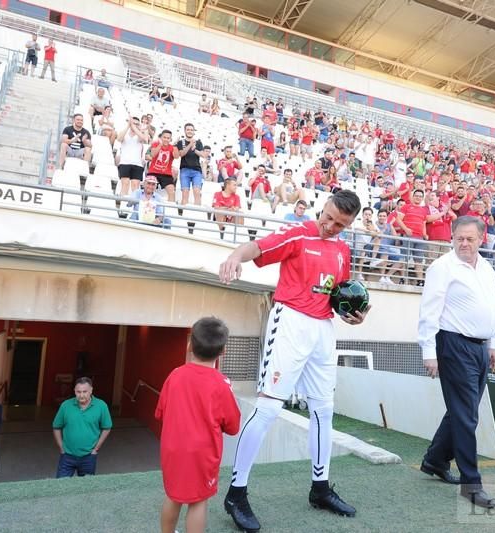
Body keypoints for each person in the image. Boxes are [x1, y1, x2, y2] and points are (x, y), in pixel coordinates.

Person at [219, 189, 369, 532]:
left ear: (349, 224)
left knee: (324, 409)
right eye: (327, 217)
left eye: (339, 223)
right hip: (290, 324)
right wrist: (233, 257)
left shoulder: (343, 249)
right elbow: (255, 248)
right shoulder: (297, 234)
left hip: (323, 330)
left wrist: (353, 313)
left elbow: (338, 293)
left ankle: (320, 489)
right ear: (323, 208)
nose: (329, 225)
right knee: (269, 408)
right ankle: (236, 493)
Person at [418, 216, 495, 510]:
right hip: (453, 345)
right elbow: (429, 311)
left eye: (470, 239)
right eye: (459, 238)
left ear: (482, 239)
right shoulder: (442, 267)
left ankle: (435, 460)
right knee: (466, 416)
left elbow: (493, 307)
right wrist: (429, 352)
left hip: (479, 348)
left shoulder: (488, 269)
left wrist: (492, 343)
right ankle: (471, 484)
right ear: (452, 238)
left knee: (462, 411)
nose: (464, 244)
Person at [156, 317, 241, 533]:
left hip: (172, 450)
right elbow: (232, 426)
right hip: (202, 455)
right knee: (198, 501)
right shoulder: (221, 385)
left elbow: (161, 413)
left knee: (173, 496)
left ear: (189, 345)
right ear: (223, 351)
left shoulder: (174, 375)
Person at [52, 377, 113, 477]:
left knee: (86, 489)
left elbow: (107, 428)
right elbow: (56, 427)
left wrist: (96, 449)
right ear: (74, 391)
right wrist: (61, 448)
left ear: (91, 391)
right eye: (78, 392)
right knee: (61, 487)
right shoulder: (66, 405)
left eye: (85, 391)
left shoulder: (101, 406)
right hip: (67, 456)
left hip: (88, 457)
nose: (81, 395)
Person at [116, 116, 150, 196]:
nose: (134, 125)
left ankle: (134, 206)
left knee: (135, 186)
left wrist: (135, 127)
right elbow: (119, 139)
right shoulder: (125, 134)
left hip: (137, 164)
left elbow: (145, 139)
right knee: (125, 184)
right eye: (133, 123)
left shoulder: (139, 135)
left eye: (137, 124)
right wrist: (128, 125)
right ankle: (123, 205)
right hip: (124, 163)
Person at [176, 123, 205, 208]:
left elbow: (203, 155)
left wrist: (194, 149)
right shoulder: (181, 142)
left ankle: (197, 214)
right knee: (185, 192)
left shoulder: (199, 142)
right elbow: (181, 154)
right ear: (185, 131)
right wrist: (190, 144)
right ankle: (184, 215)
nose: (190, 131)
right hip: (184, 170)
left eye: (191, 130)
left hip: (196, 171)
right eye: (188, 129)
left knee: (197, 191)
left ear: (194, 131)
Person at [147, 129, 179, 202]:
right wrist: (160, 145)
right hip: (153, 172)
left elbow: (176, 156)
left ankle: (170, 209)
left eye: (168, 138)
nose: (166, 139)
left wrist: (175, 147)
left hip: (166, 174)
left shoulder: (172, 147)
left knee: (172, 191)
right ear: (161, 137)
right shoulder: (155, 144)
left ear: (170, 139)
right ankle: (147, 208)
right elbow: (153, 154)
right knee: (149, 189)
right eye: (164, 137)